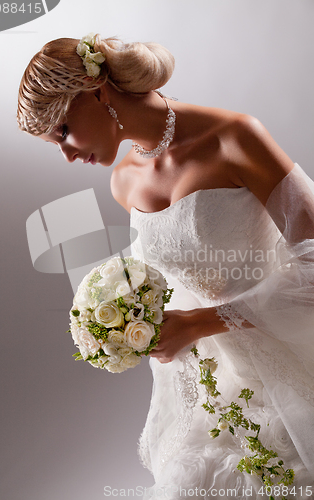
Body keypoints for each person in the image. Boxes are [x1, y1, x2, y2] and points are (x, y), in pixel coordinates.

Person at [17, 33, 314, 498]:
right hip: (211, 389)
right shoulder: (123, 182)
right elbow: (173, 286)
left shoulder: (235, 137)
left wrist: (200, 323)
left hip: (291, 359)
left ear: (97, 92)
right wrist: (132, 328)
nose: (67, 154)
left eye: (62, 131)